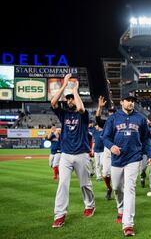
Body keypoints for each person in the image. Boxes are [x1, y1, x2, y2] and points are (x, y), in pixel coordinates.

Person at [102, 92, 151, 237]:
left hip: (134, 158)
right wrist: (111, 146)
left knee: (130, 189)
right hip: (117, 159)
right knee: (117, 188)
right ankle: (120, 209)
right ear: (122, 102)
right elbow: (105, 137)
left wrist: (149, 154)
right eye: (128, 100)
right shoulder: (113, 118)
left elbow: (147, 139)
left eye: (133, 101)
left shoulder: (140, 119)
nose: (131, 103)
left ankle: (128, 224)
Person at [51, 73, 95, 228]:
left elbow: (81, 107)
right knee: (63, 183)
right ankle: (60, 214)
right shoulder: (63, 114)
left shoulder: (83, 115)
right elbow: (53, 102)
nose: (70, 100)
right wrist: (64, 85)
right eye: (68, 98)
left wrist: (75, 90)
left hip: (82, 154)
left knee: (85, 184)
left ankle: (89, 205)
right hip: (65, 154)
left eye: (72, 98)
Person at [96, 95, 116, 199]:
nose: (111, 113)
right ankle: (109, 188)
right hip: (108, 150)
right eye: (110, 112)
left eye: (113, 111)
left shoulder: (120, 121)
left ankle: (121, 190)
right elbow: (98, 119)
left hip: (118, 150)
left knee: (119, 174)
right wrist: (100, 107)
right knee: (105, 173)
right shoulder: (107, 123)